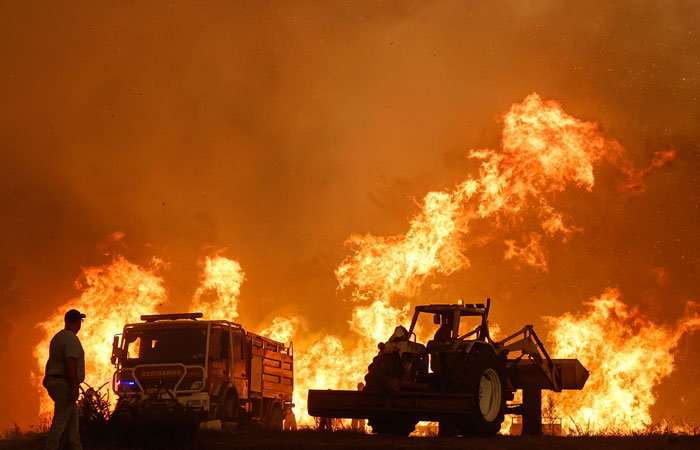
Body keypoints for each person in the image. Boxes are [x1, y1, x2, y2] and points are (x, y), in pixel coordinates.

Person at [43, 309, 86, 450]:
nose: (81, 324)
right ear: (77, 322)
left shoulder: (57, 338)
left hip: (54, 380)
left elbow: (50, 361)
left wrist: (46, 377)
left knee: (73, 421)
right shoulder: (71, 338)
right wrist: (74, 386)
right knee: (61, 420)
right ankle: (50, 447)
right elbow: (70, 362)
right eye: (81, 321)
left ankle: (76, 447)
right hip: (64, 384)